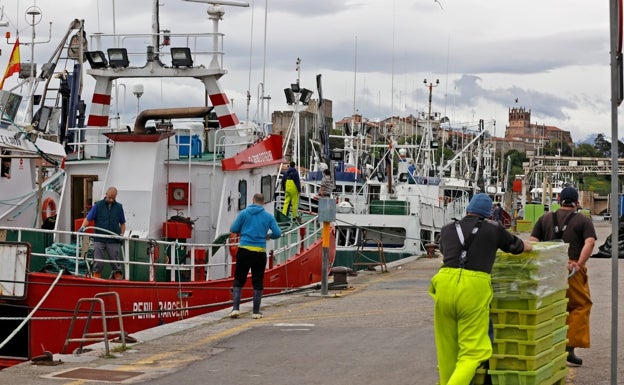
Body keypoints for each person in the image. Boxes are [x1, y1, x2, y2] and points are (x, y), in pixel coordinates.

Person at [429, 193, 531, 385]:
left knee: (447, 349)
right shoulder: (493, 228)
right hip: (473, 287)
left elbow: (446, 250)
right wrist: (529, 247)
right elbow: (514, 246)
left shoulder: (447, 228)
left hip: (444, 282)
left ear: (467, 210)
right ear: (489, 215)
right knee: (473, 351)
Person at [528, 186, 596, 366]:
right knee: (580, 305)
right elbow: (589, 242)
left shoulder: (545, 218)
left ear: (559, 200)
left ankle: (548, 348)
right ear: (577, 203)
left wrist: (541, 263)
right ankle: (569, 347)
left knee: (552, 306)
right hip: (572, 268)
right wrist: (579, 264)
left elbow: (533, 242)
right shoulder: (583, 220)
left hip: (548, 268)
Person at [229, 193, 282, 319]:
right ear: (263, 202)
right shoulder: (268, 216)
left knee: (239, 279)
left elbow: (233, 228)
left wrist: (244, 231)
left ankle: (236, 309)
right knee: (257, 281)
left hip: (244, 250)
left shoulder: (244, 213)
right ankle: (256, 312)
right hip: (259, 252)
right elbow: (278, 233)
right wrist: (268, 236)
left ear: (253, 200)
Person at [80, 186, 126, 279]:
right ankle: (96, 274)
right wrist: (82, 227)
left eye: (113, 198)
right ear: (106, 194)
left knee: (114, 259)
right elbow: (89, 218)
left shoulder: (119, 207)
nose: (111, 200)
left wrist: (121, 235)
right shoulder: (98, 205)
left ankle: (117, 274)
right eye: (110, 197)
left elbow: (123, 223)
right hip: (99, 238)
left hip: (113, 238)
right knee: (98, 260)